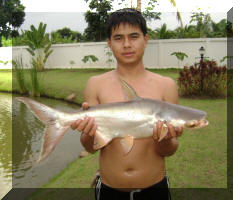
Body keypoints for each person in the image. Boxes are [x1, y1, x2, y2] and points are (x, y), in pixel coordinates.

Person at [71, 8, 183, 200]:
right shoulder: (95, 84)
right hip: (109, 189)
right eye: (118, 38)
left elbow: (169, 150)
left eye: (133, 36)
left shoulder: (166, 86)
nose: (127, 44)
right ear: (109, 43)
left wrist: (164, 139)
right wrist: (89, 134)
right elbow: (91, 147)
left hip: (155, 188)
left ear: (145, 40)